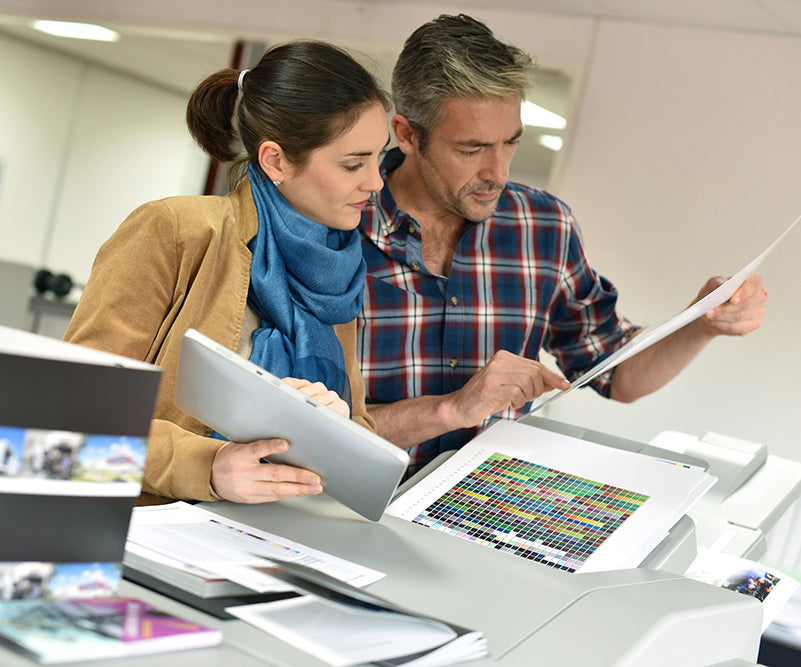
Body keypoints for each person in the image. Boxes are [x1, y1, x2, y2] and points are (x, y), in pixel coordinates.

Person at [357, 14, 767, 475]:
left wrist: (703, 320)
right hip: (349, 512)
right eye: (471, 150)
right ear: (408, 134)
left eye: (510, 142)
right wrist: (451, 409)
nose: (498, 172)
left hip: (489, 507)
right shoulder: (338, 227)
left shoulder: (543, 225)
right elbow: (306, 421)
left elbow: (617, 372)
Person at [64, 40, 390, 504]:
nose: (376, 182)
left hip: (282, 543)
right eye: (354, 163)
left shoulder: (338, 268)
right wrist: (209, 468)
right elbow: (73, 411)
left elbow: (359, 427)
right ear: (275, 159)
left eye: (380, 156)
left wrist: (331, 430)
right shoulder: (175, 230)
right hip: (152, 536)